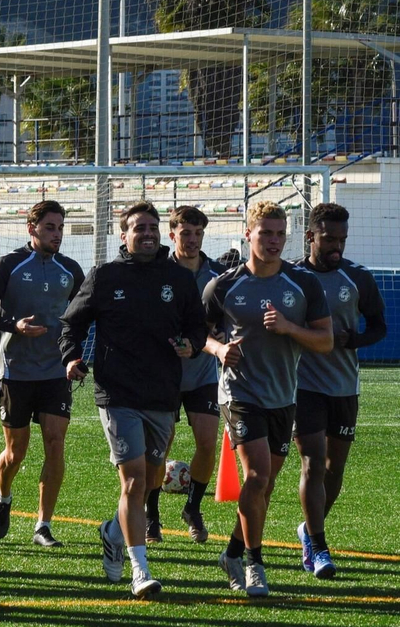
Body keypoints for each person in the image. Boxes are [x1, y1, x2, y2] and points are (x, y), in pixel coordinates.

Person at [60, 201, 207, 600]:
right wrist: (71, 356)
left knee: (150, 480)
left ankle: (112, 530)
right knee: (134, 480)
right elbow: (72, 322)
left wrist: (191, 344)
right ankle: (140, 571)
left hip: (162, 393)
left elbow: (197, 325)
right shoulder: (106, 276)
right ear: (123, 234)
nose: (147, 234)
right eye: (138, 227)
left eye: (152, 227)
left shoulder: (177, 279)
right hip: (118, 393)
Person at [202, 201, 333, 597]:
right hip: (239, 393)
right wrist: (219, 350)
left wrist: (291, 327)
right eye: (265, 233)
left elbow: (325, 341)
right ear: (248, 234)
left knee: (265, 485)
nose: (274, 240)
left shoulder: (303, 284)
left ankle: (231, 551)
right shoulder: (223, 286)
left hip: (283, 396)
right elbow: (197, 335)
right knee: (257, 475)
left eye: (279, 233)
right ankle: (254, 565)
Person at [0, 200, 84, 548]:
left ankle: (43, 526)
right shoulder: (9, 265)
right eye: (50, 227)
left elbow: (81, 317)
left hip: (54, 372)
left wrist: (74, 356)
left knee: (56, 443)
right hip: (15, 371)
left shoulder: (70, 269)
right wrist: (13, 326)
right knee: (15, 453)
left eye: (61, 227)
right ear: (31, 228)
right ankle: (3, 498)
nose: (57, 234)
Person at [291, 203, 385, 579]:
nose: (336, 248)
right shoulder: (291, 277)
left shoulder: (357, 278)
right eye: (329, 239)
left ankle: (307, 530)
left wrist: (353, 340)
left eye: (342, 240)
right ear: (311, 236)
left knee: (334, 469)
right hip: (302, 385)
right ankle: (318, 546)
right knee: (313, 463)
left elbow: (379, 326)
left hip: (345, 385)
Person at [163, 206, 229, 543]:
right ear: (172, 234)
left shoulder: (218, 275)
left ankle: (192, 506)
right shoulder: (159, 273)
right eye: (185, 233)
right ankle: (150, 513)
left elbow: (224, 319)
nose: (191, 240)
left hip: (203, 373)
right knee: (161, 445)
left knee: (207, 443)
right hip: (164, 373)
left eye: (198, 233)